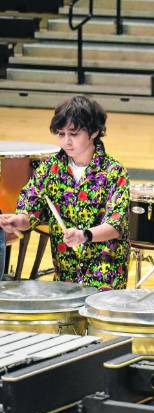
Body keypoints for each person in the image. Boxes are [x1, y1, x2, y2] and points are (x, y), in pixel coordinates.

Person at [0, 95, 130, 290]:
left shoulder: (113, 171)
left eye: (74, 134)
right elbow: (32, 209)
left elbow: (116, 224)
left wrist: (84, 235)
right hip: (65, 274)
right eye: (61, 134)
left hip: (105, 275)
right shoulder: (50, 169)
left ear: (94, 132)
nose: (66, 142)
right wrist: (19, 220)